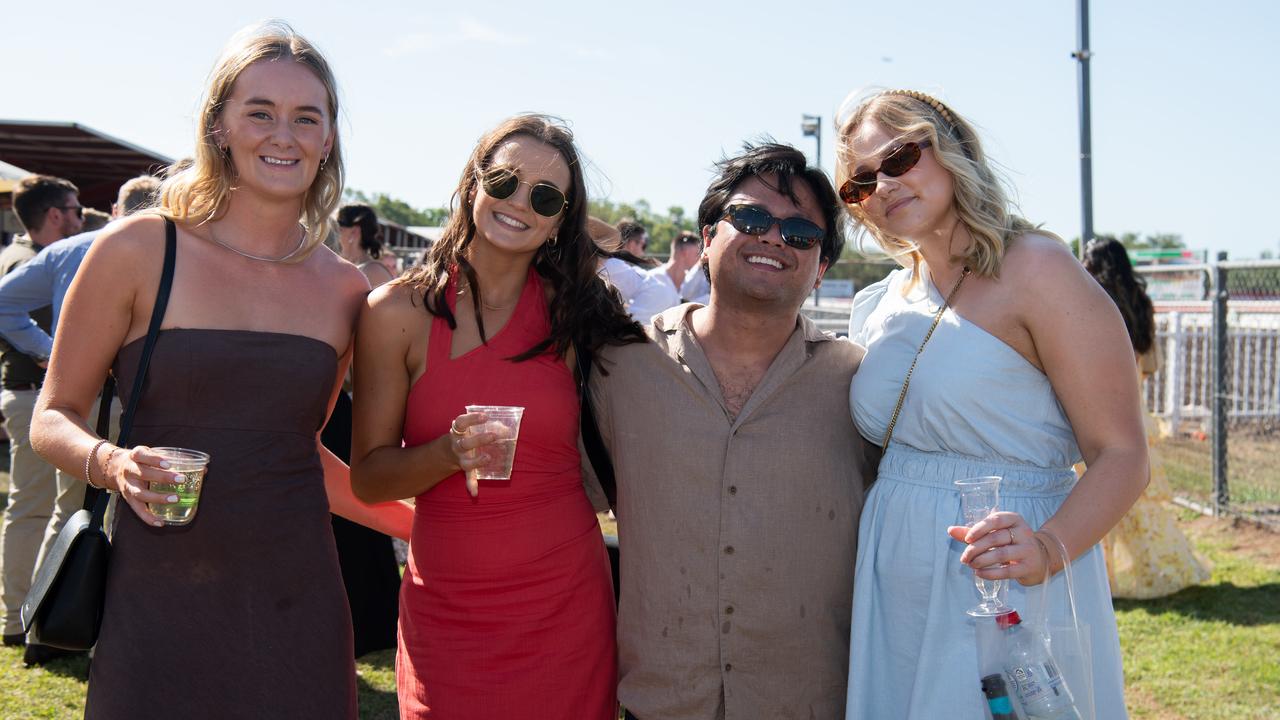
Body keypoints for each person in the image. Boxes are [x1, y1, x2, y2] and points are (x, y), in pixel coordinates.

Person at [29, 21, 412, 718]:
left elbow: (301, 454)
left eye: (306, 117)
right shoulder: (141, 249)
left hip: (298, 597)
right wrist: (111, 463)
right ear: (219, 128)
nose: (283, 134)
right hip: (157, 596)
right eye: (259, 112)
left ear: (328, 140)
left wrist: (429, 530)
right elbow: (51, 419)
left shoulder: (345, 289)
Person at [836, 89, 1148, 718]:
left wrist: (1049, 548)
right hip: (894, 573)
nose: (883, 185)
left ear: (949, 149)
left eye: (899, 157)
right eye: (861, 182)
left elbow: (1122, 454)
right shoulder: (886, 299)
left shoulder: (1036, 269)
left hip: (1006, 571)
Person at [350, 114, 644, 719]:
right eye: (504, 181)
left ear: (562, 218)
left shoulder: (578, 316)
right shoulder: (396, 311)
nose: (519, 203)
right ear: (471, 183)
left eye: (544, 196)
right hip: (447, 613)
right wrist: (443, 455)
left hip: (564, 607)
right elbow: (369, 478)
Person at [589, 142, 879, 719]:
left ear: (821, 269)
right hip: (660, 699)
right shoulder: (618, 368)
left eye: (800, 233)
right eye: (750, 218)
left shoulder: (861, 385)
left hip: (810, 701)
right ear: (705, 240)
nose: (774, 238)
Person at [0, 176, 159, 663]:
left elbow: (4, 303)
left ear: (116, 208)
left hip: (66, 397)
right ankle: (70, 627)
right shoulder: (164, 253)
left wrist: (53, 355)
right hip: (116, 400)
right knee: (119, 515)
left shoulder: (73, 248)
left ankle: (36, 626)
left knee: (59, 512)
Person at [1083, 237, 1209, 599]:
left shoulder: (1091, 301)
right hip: (1133, 404)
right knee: (1135, 495)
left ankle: (1103, 577)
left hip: (1096, 403)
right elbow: (1150, 364)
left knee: (1094, 490)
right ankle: (1157, 567)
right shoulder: (1142, 303)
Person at [0, 174, 83, 654]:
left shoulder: (23, 257)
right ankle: (24, 620)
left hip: (33, 397)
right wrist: (55, 353)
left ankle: (20, 619)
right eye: (74, 210)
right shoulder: (32, 261)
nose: (80, 217)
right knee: (39, 510)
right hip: (37, 398)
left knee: (35, 510)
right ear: (54, 215)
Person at [337, 202, 396, 287]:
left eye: (338, 228)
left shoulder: (373, 272)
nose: (333, 234)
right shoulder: (350, 268)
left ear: (354, 232)